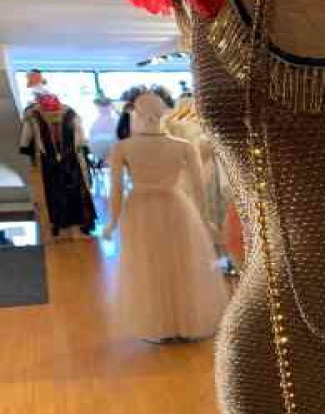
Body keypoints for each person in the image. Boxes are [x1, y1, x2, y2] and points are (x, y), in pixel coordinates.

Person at [102, 92, 227, 342]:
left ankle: (162, 325)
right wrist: (205, 219)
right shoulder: (183, 146)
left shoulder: (123, 147)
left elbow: (116, 189)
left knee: (150, 265)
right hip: (175, 205)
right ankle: (184, 322)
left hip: (140, 209)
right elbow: (199, 189)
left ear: (135, 112)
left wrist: (112, 221)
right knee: (182, 262)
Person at [20, 92, 97, 241]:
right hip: (48, 160)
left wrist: (83, 149)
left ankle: (77, 227)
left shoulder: (70, 113)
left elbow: (80, 135)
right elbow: (26, 139)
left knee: (75, 192)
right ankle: (60, 228)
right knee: (53, 193)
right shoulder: (33, 116)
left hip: (71, 159)